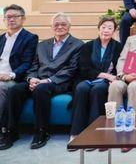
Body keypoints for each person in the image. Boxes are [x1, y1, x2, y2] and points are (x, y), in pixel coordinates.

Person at [2, 13, 83, 150]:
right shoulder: (42, 45)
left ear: (69, 26)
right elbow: (33, 65)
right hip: (38, 80)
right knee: (15, 90)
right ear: (51, 27)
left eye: (63, 24)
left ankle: (42, 131)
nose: (60, 27)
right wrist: (31, 78)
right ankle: (11, 131)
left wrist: (48, 80)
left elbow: (71, 69)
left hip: (59, 82)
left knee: (41, 89)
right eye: (56, 24)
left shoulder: (78, 45)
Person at [69, 16, 123, 141]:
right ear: (99, 29)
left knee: (97, 90)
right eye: (103, 27)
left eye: (110, 28)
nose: (106, 30)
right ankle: (76, 133)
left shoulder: (118, 47)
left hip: (106, 82)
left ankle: (94, 133)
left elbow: (119, 68)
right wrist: (105, 74)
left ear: (114, 31)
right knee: (81, 88)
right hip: (87, 78)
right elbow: (83, 68)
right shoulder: (88, 46)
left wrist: (113, 78)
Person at [0, 5, 38, 148]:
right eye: (8, 17)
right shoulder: (1, 38)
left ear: (23, 19)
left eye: (15, 16)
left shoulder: (30, 38)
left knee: (2, 88)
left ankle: (6, 130)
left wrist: (10, 75)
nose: (11, 19)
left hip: (15, 78)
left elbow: (27, 63)